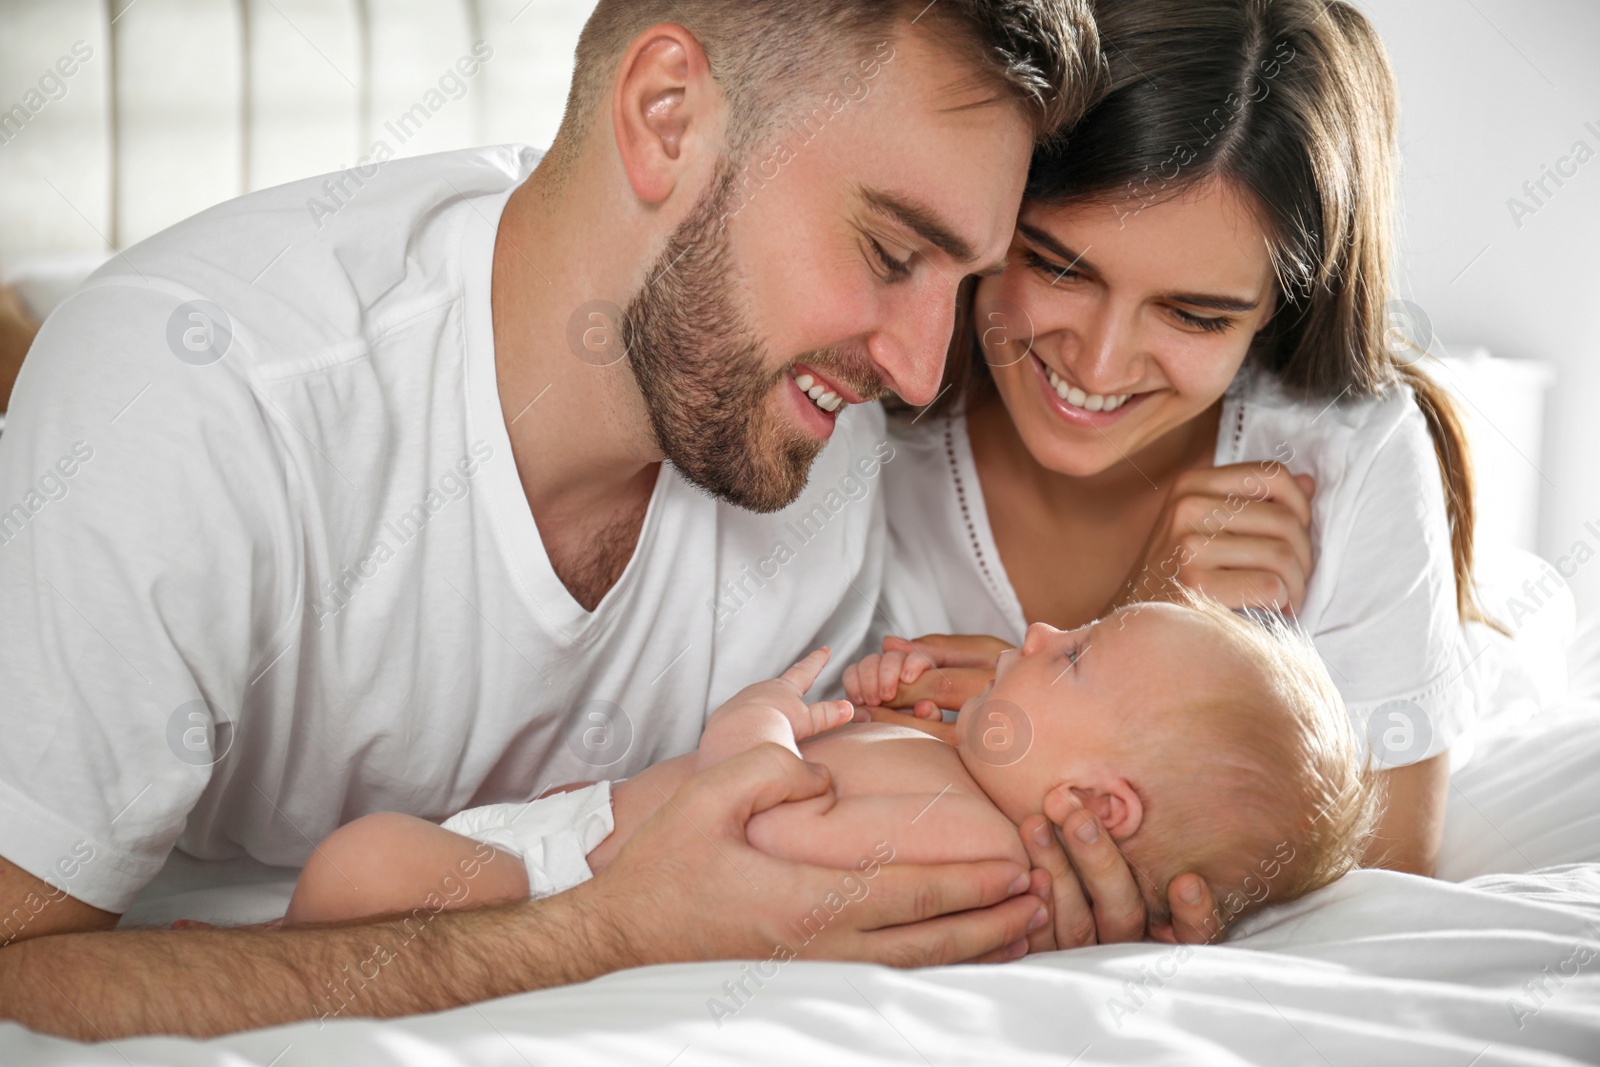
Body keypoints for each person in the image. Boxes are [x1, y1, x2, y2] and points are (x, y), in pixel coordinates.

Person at [0, 0, 1106, 1040]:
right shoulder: (198, 399)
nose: (917, 372)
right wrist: (610, 931)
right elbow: (17, 965)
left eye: (961, 283)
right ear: (665, 117)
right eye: (889, 253)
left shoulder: (822, 453)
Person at [848, 0, 1487, 941]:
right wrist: (1150, 612)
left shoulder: (1345, 454)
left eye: (1193, 315)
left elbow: (1382, 899)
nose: (1099, 366)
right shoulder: (865, 403)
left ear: (1275, 309)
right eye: (1059, 266)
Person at [284, 598, 1380, 962]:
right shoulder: (963, 783)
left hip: (553, 881)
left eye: (1078, 653)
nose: (1040, 627)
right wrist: (891, 709)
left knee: (361, 863)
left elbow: (754, 840)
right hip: (558, 836)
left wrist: (760, 720)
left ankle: (276, 959)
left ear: (1100, 809)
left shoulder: (985, 853)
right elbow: (852, 808)